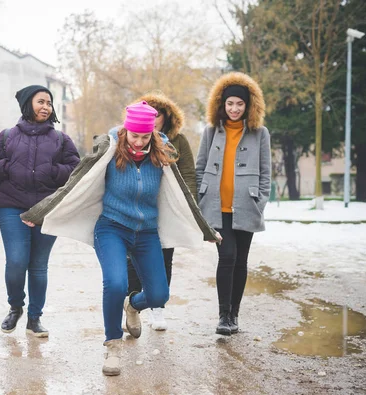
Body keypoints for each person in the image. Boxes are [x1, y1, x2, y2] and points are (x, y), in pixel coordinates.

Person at [21, 101, 221, 376]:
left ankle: (133, 305)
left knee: (159, 294)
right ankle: (112, 346)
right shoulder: (110, 149)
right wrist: (43, 212)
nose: (139, 142)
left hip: (147, 231)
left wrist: (205, 230)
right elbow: (76, 183)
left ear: (152, 132)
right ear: (126, 130)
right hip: (112, 228)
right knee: (115, 283)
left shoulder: (161, 153)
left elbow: (181, 194)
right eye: (134, 135)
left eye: (145, 136)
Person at [0, 85, 80, 338]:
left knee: (38, 266)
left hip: (47, 209)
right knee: (17, 261)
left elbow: (75, 168)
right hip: (12, 206)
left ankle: (35, 319)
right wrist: (11, 168)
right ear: (28, 105)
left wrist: (51, 171)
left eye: (49, 103)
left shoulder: (61, 139)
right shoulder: (7, 136)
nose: (46, 107)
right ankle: (15, 306)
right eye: (41, 102)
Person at [195, 72, 271, 336]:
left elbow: (266, 173)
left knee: (241, 261)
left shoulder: (260, 134)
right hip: (217, 208)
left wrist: (259, 202)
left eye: (240, 104)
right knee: (227, 257)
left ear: (249, 106)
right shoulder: (210, 132)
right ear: (222, 104)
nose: (235, 108)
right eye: (230, 104)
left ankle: (234, 314)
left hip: (246, 206)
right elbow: (200, 167)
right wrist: (198, 202)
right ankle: (223, 315)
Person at [125, 92, 198, 331]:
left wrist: (189, 207)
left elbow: (188, 174)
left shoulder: (178, 141)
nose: (154, 119)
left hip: (168, 210)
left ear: (167, 117)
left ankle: (158, 308)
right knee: (132, 259)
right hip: (137, 209)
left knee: (165, 258)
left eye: (159, 115)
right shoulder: (130, 139)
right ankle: (131, 306)